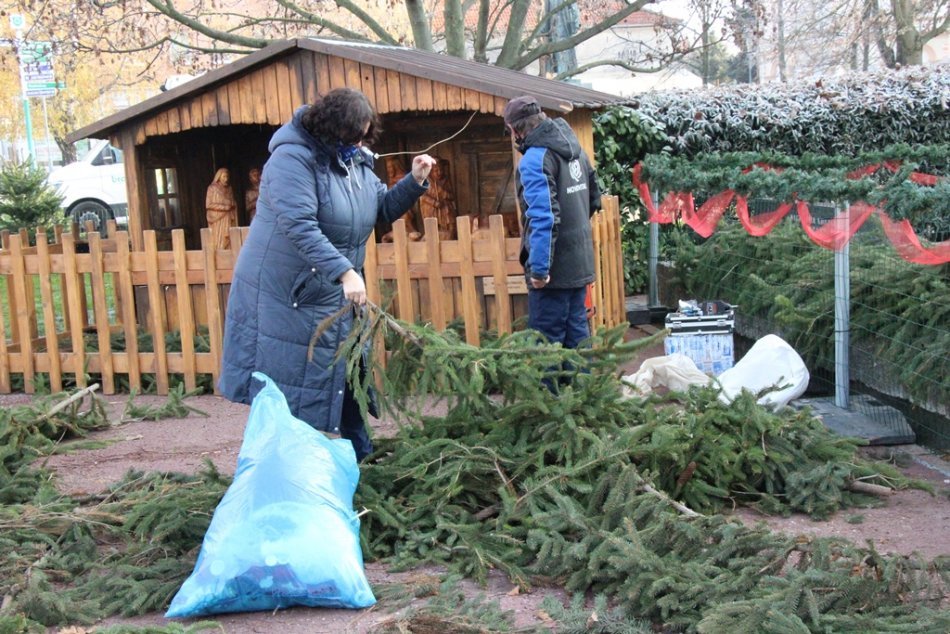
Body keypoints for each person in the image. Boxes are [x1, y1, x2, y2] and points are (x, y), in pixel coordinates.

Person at [219, 88, 435, 461]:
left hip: (330, 290)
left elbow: (380, 210)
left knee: (346, 374)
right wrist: (345, 272)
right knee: (292, 388)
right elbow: (299, 225)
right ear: (331, 129)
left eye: (364, 137)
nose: (359, 144)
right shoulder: (291, 160)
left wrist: (413, 182)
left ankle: (360, 459)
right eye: (353, 137)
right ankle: (287, 471)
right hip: (287, 294)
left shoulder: (354, 161)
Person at [503, 95, 601, 352]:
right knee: (578, 343)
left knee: (547, 349)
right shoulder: (575, 149)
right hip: (579, 265)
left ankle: (551, 385)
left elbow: (543, 216)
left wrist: (539, 268)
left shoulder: (535, 159)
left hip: (552, 275)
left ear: (514, 129)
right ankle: (583, 382)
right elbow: (594, 198)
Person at [206, 167, 238, 249]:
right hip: (217, 218)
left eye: (227, 177)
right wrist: (224, 207)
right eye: (224, 176)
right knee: (219, 239)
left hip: (228, 217)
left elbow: (232, 202)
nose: (226, 179)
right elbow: (208, 204)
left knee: (228, 239)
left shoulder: (229, 188)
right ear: (219, 177)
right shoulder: (212, 188)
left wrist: (232, 203)